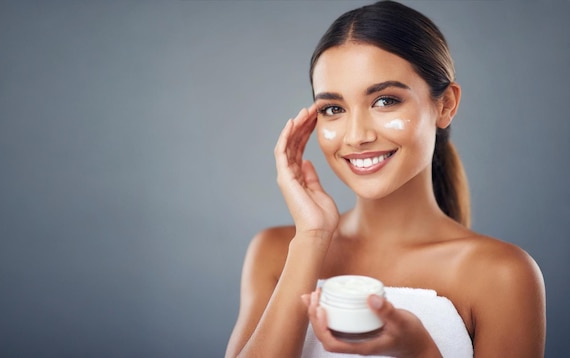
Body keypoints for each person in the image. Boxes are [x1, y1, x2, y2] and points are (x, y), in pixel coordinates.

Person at [225, 1, 546, 357]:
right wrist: (312, 239)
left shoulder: (502, 274)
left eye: (385, 101)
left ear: (445, 105)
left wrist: (421, 351)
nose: (356, 135)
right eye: (334, 109)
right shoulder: (275, 252)